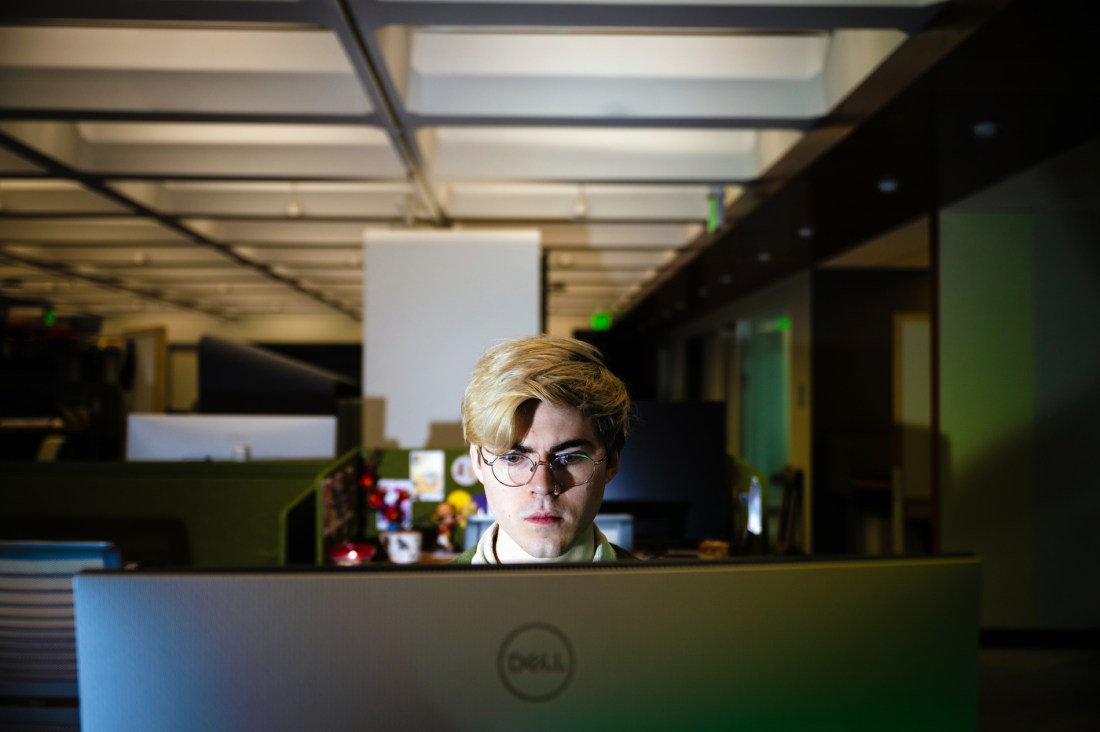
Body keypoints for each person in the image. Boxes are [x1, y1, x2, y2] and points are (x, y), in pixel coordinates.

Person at [451, 334, 634, 563]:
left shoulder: (661, 588)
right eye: (513, 458)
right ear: (477, 462)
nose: (543, 486)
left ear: (612, 462)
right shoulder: (426, 588)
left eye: (569, 458)